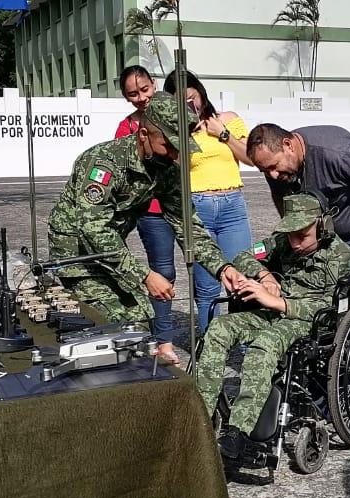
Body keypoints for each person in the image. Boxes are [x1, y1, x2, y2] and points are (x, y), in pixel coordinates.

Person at [48, 92, 250, 334]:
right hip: (77, 256)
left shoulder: (167, 168)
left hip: (111, 253)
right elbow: (93, 229)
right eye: (168, 145)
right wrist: (145, 276)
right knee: (118, 322)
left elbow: (188, 227)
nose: (175, 155)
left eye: (180, 147)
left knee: (140, 318)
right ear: (144, 135)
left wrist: (222, 268)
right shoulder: (104, 163)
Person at [193, 194, 350, 460]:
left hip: (305, 321)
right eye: (290, 234)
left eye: (302, 235)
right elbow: (243, 256)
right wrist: (265, 276)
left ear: (322, 225)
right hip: (272, 310)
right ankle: (200, 416)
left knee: (263, 346)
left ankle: (238, 430)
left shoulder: (340, 256)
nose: (294, 242)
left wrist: (278, 302)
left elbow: (329, 309)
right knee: (220, 327)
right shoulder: (283, 242)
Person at [246, 123, 350, 302]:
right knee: (326, 300)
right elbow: (280, 194)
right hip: (321, 236)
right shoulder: (277, 170)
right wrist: (293, 230)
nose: (272, 175)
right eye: (265, 170)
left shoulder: (337, 152)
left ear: (288, 145)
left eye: (274, 166)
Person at [163, 70, 254, 331]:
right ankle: (209, 347)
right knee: (207, 288)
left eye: (193, 98)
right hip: (197, 206)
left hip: (232, 205)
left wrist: (222, 133)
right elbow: (174, 170)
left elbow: (251, 157)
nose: (191, 105)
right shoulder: (177, 131)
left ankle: (246, 346)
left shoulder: (228, 119)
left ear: (201, 92)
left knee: (243, 275)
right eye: (183, 102)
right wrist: (182, 134)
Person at [115, 65, 181, 363]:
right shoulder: (126, 127)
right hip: (152, 211)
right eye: (132, 93)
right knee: (163, 272)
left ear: (154, 85)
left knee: (207, 276)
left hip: (183, 204)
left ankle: (210, 334)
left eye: (144, 90)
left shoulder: (176, 116)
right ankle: (164, 340)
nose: (141, 97)